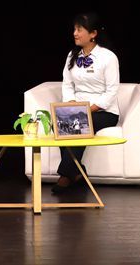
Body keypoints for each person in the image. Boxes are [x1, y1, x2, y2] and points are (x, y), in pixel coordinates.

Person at [52, 12, 120, 194]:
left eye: (79, 30)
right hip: (78, 108)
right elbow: (67, 85)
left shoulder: (108, 57)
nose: (75, 33)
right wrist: (72, 105)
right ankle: (76, 173)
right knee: (59, 123)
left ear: (93, 33)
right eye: (74, 29)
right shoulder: (71, 55)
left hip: (104, 112)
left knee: (77, 124)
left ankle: (66, 175)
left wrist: (89, 109)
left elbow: (112, 91)